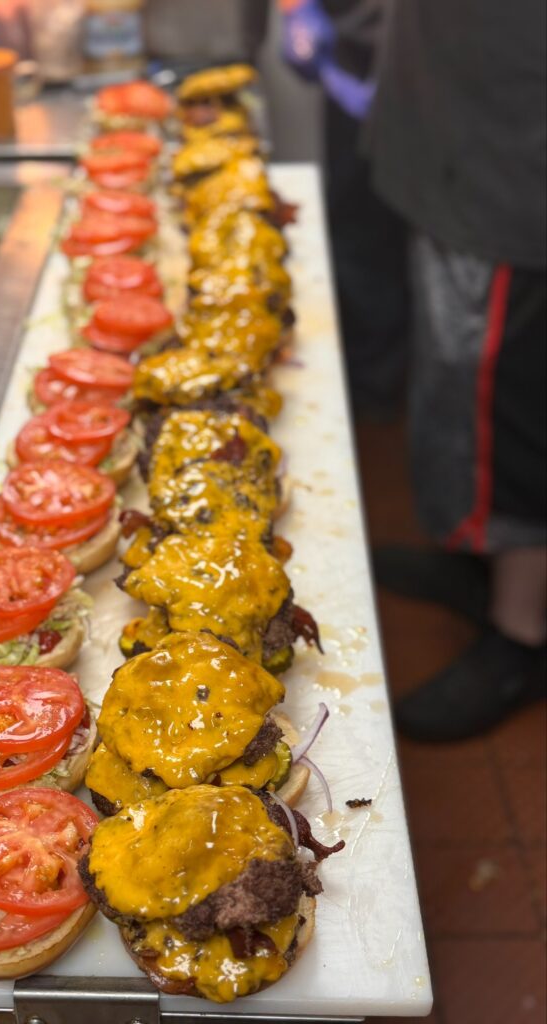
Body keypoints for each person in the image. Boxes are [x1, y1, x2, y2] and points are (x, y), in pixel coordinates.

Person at [365, 0, 546, 741]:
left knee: (504, 398)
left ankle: (523, 631)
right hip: (453, 118)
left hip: (515, 152)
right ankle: (478, 561)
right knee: (453, 380)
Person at [280, 0, 410, 419]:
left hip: (447, 61)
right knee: (358, 226)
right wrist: (296, 7)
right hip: (355, 43)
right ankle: (367, 392)